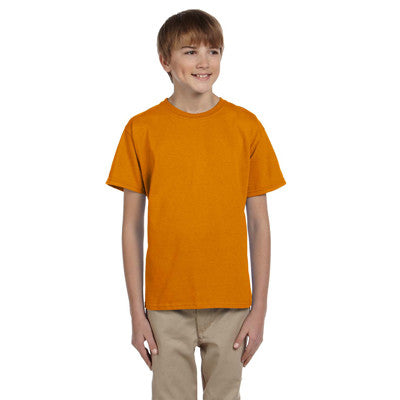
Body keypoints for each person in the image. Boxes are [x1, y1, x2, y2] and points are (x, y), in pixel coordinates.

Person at [106, 8, 286, 400]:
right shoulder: (141, 129)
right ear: (164, 60)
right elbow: (131, 228)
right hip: (165, 304)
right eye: (190, 51)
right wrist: (137, 313)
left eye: (213, 51)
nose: (204, 62)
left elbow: (259, 224)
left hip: (232, 304)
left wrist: (259, 309)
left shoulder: (247, 127)